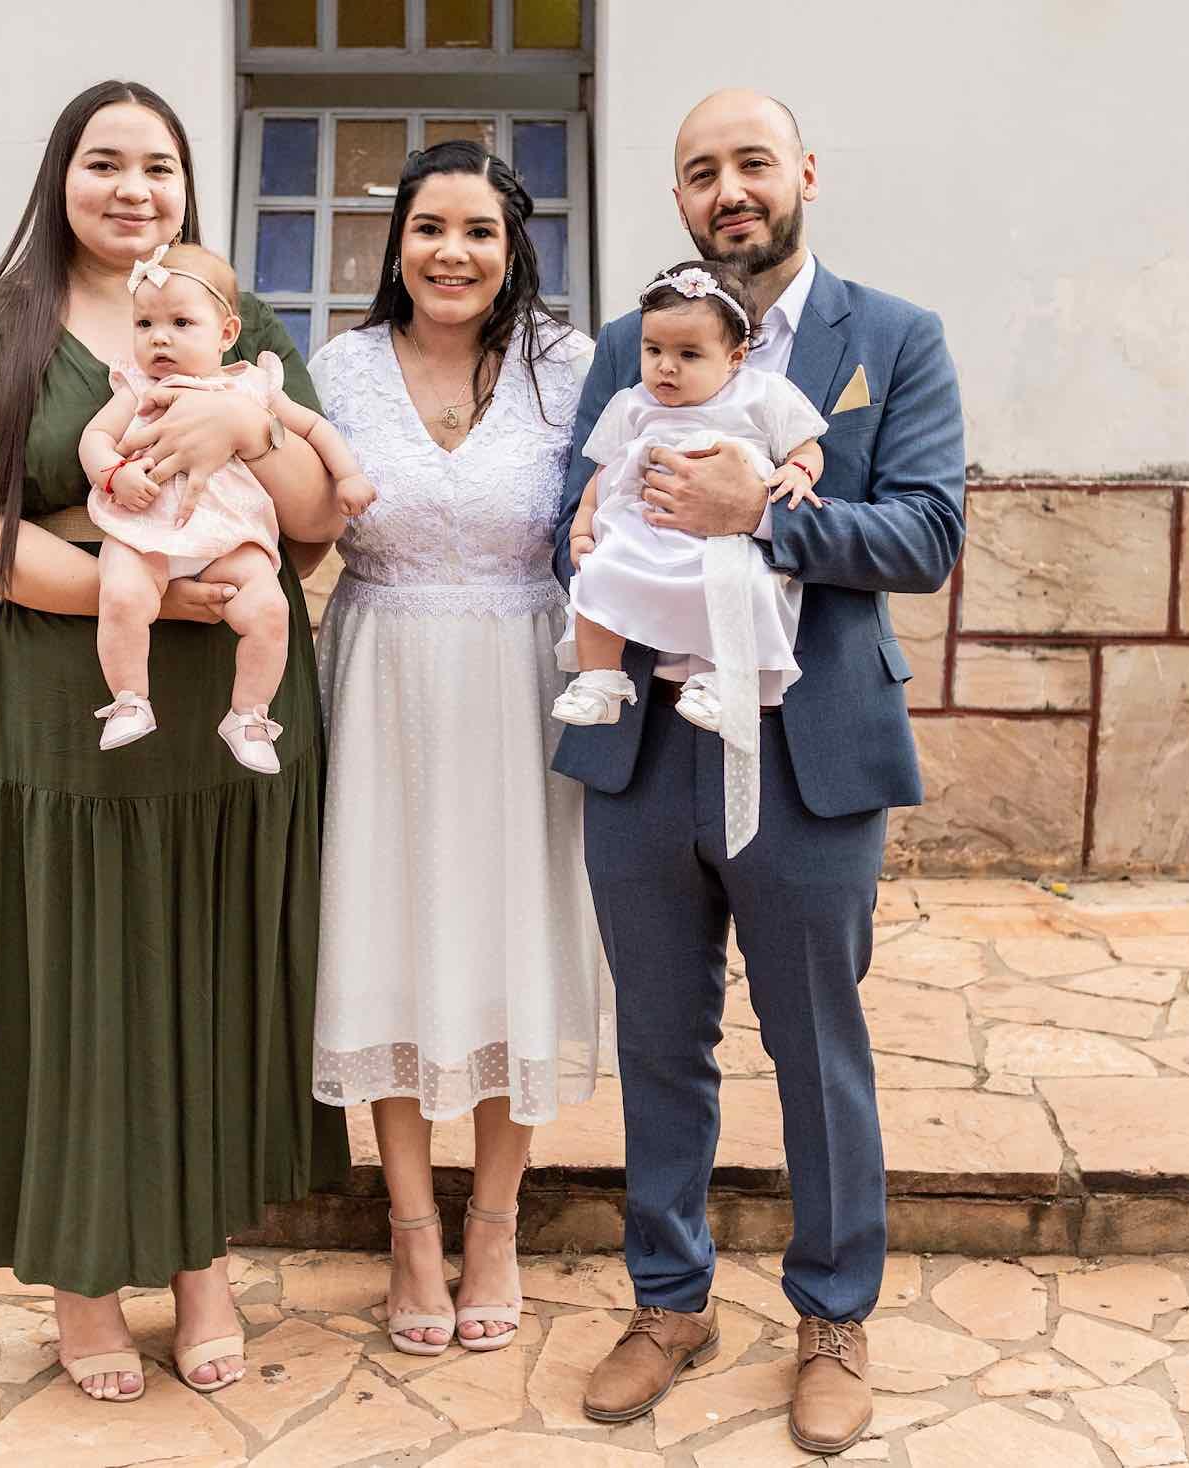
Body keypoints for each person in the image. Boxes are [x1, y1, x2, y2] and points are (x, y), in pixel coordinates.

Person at [0, 80, 349, 1405]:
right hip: (69, 725)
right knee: (82, 993)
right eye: (104, 162)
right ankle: (86, 1283)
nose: (133, 189)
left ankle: (204, 1265)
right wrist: (148, 594)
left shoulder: (235, 317)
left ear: (187, 185)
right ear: (61, 178)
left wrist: (253, 421)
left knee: (208, 985)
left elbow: (319, 520)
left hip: (228, 732)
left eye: (158, 165)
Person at [555, 90, 964, 1454]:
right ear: (678, 199)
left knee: (814, 1045)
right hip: (643, 745)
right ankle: (669, 1301)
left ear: (803, 173)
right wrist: (589, 526)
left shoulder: (890, 338)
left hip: (805, 749)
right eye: (698, 172)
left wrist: (763, 520)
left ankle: (833, 1315)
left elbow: (924, 535)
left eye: (750, 163)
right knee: (659, 1038)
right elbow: (575, 508)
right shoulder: (632, 343)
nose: (726, 189)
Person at [307, 140, 609, 1358]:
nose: (452, 252)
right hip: (380, 679)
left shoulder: (569, 366)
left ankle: (494, 1222)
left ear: (513, 245)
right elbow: (296, 524)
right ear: (397, 245)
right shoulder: (338, 369)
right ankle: (411, 1227)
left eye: (479, 230)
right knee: (385, 934)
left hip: (523, 679)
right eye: (429, 228)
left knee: (505, 938)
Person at [554, 257, 826, 855]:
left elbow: (807, 445)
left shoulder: (763, 395)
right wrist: (582, 527)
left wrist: (799, 471)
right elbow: (600, 474)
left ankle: (726, 682)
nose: (666, 367)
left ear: (736, 356)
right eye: (653, 350)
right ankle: (601, 677)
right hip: (644, 532)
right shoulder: (633, 403)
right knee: (599, 582)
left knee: (737, 589)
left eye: (688, 354)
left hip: (721, 538)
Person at [76, 241, 376, 769]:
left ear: (227, 333)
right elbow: (95, 438)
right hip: (145, 530)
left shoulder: (253, 386)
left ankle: (249, 715)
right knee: (121, 594)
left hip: (229, 535)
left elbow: (313, 427)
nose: (159, 337)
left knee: (269, 610)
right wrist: (114, 473)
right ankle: (129, 698)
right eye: (144, 324)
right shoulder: (137, 386)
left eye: (180, 323)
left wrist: (348, 475)